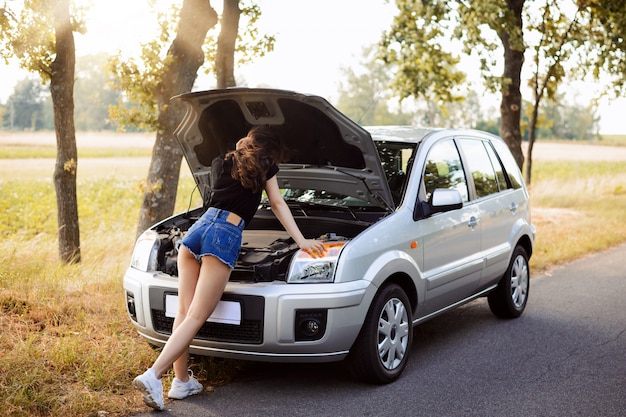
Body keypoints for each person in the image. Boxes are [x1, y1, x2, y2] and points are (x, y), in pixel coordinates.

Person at [132, 125, 326, 411]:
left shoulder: (221, 162)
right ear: (269, 151)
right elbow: (276, 202)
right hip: (223, 234)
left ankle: (181, 381)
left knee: (184, 312)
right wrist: (302, 241)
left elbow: (216, 199)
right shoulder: (265, 166)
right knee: (197, 315)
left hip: (196, 231)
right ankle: (153, 375)